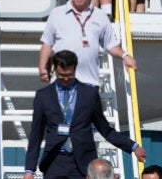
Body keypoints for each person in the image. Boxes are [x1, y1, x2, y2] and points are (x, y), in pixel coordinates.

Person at [23, 50, 146, 179]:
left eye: (69, 75)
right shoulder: (43, 96)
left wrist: (133, 146)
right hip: (54, 161)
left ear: (75, 70)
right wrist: (29, 170)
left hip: (83, 163)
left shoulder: (89, 94)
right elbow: (36, 134)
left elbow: (105, 129)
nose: (65, 79)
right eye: (61, 75)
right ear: (55, 70)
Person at [39, 0, 137, 87]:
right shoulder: (57, 13)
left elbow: (111, 45)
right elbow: (47, 44)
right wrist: (42, 68)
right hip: (61, 81)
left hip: (89, 82)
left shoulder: (100, 16)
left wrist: (125, 56)